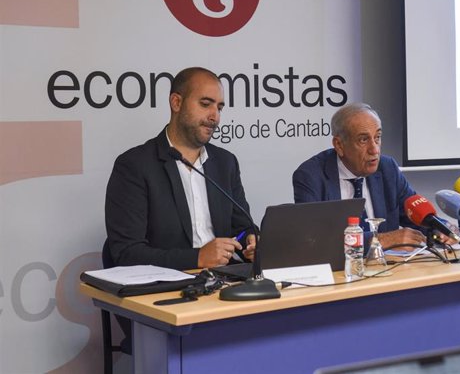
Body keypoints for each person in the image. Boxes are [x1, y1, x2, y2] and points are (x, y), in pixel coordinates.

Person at [105, 67, 257, 271]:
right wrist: (198, 258)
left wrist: (251, 241)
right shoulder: (134, 166)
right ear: (176, 102)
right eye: (205, 104)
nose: (215, 116)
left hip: (224, 282)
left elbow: (243, 225)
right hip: (167, 288)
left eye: (219, 108)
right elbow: (127, 253)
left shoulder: (225, 162)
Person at [293, 102, 430, 250]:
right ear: (339, 145)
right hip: (340, 271)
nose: (374, 149)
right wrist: (381, 240)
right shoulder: (311, 176)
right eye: (363, 140)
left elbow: (416, 217)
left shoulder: (387, 168)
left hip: (388, 269)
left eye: (377, 137)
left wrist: (439, 229)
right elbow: (313, 239)